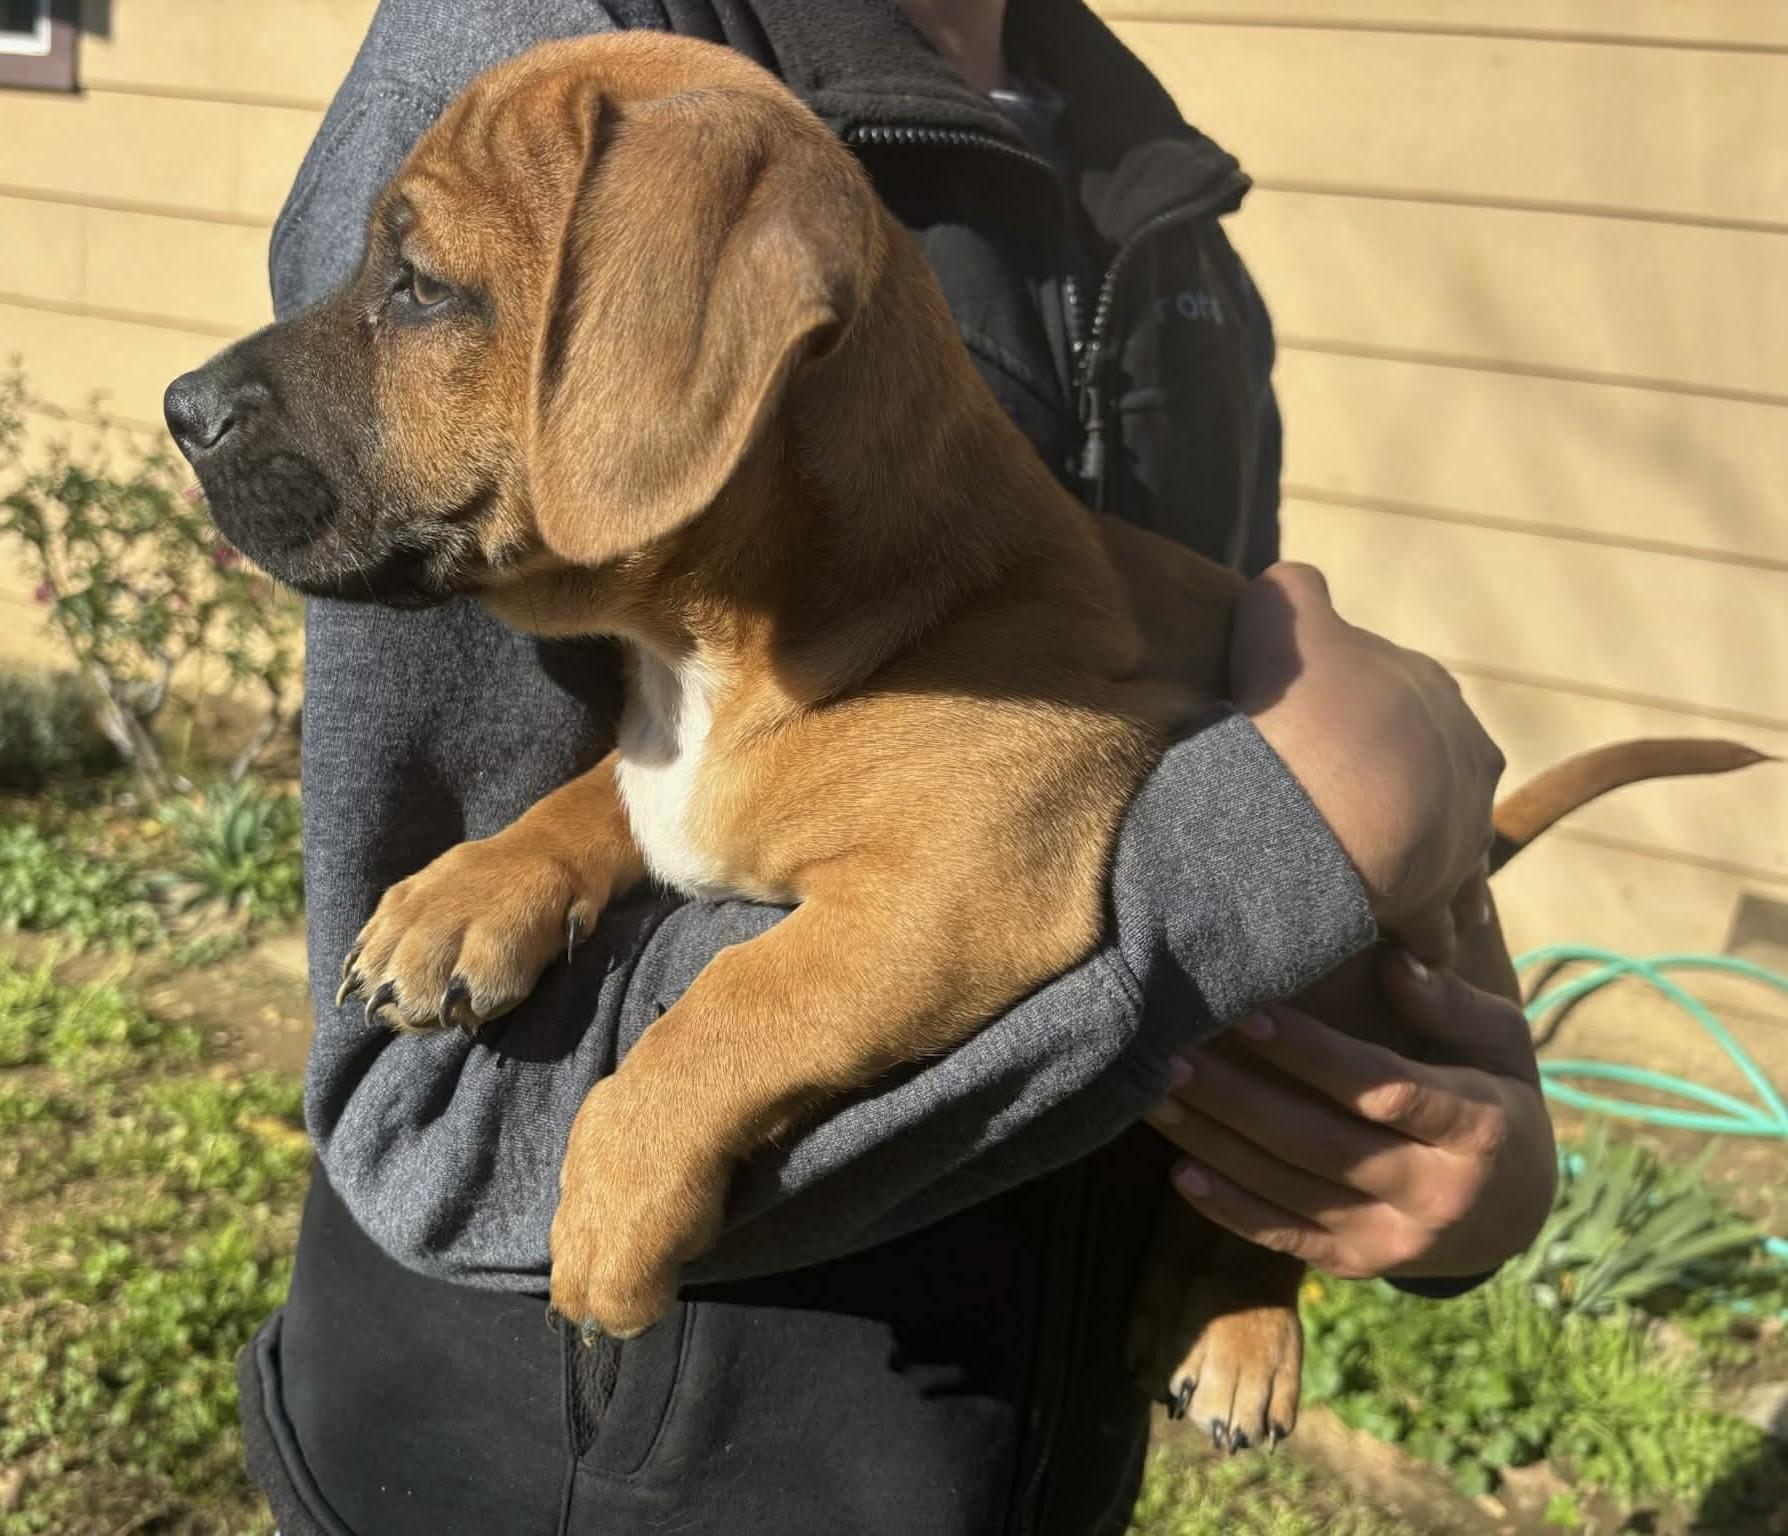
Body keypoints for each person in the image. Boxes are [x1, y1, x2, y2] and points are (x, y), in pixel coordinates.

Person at [236, 3, 1555, 1533]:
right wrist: (1287, 845)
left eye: (415, 293)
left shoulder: (1162, 200)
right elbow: (435, 1116)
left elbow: (1269, 752)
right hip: (577, 1477)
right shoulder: (546, 84)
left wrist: (1482, 1148)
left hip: (1020, 1454)